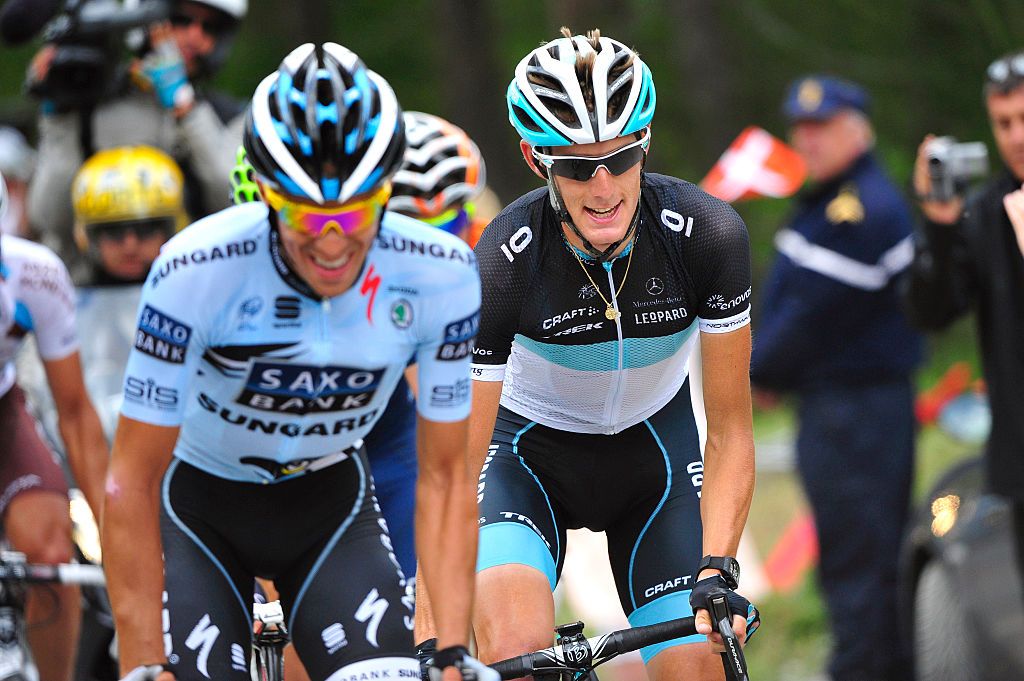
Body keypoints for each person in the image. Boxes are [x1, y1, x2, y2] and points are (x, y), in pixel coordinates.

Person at [101, 42, 489, 681]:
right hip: (197, 507)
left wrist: (450, 652)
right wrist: (144, 661)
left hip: (329, 504)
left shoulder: (439, 272)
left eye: (356, 211)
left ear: (387, 193)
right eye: (307, 216)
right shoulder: (193, 269)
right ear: (267, 194)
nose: (333, 239)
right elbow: (130, 481)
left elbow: (445, 477)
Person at [422, 27, 758, 680]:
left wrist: (718, 568)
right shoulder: (504, 257)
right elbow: (454, 469)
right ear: (534, 157)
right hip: (524, 453)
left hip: (654, 452)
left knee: (696, 663)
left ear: (646, 146)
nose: (603, 186)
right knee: (518, 650)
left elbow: (731, 430)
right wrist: (432, 628)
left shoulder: (708, 236)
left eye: (622, 158)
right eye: (576, 166)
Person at [749, 75, 922, 681]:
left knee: (860, 556)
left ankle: (866, 668)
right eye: (801, 128)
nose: (808, 140)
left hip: (857, 414)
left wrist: (758, 371)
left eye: (821, 128)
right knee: (857, 552)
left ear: (858, 129)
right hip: (841, 408)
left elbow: (808, 317)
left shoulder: (859, 210)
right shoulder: (829, 201)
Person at [904, 51, 1024, 592]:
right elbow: (931, 311)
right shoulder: (985, 211)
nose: (1016, 136)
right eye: (1004, 123)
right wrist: (939, 226)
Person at [26, 0, 247, 271]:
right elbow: (49, 219)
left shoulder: (227, 117)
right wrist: (59, 114)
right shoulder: (90, 112)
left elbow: (234, 205)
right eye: (180, 21)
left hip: (187, 285)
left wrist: (185, 106)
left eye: (210, 28)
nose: (194, 36)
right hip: (95, 296)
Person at [0, 174, 108, 681]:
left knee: (48, 547)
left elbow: (76, 413)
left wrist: (117, 533)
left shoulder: (33, 274)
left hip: (3, 412)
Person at [72, 145, 187, 285]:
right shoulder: (69, 295)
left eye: (146, 229)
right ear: (90, 238)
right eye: (114, 231)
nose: (130, 247)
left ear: (170, 230)